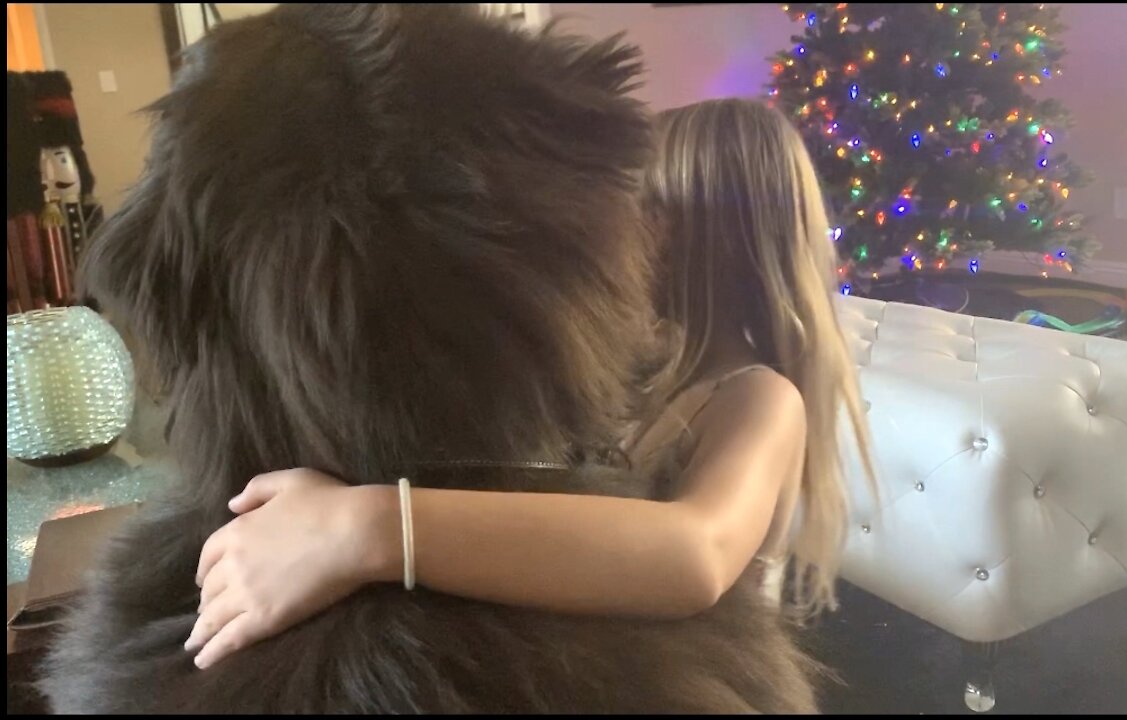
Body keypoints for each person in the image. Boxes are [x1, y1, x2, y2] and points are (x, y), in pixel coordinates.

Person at [184, 98, 876, 670]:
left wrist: (366, 528)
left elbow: (693, 553)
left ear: (712, 239)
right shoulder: (636, 378)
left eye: (635, 209)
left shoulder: (759, 396)